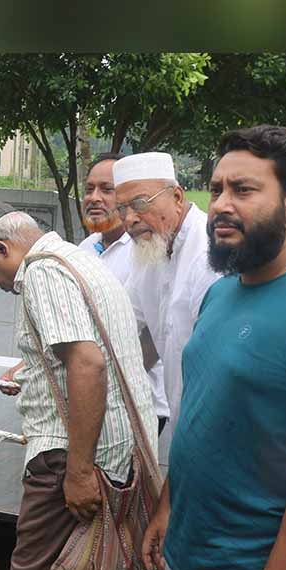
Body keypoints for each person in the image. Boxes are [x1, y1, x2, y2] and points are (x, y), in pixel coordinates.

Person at [143, 125, 286, 570]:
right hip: (188, 560)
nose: (221, 205)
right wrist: (168, 505)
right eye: (216, 190)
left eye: (243, 190)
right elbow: (202, 414)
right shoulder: (222, 293)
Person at [0, 200, 157, 570]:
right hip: (116, 453)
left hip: (72, 458)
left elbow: (88, 363)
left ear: (0, 248)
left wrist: (78, 473)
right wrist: (32, 371)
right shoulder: (77, 260)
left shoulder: (43, 272)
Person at [113, 152, 221, 467]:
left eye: (140, 204)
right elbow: (122, 324)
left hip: (221, 428)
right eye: (122, 209)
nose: (129, 219)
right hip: (183, 427)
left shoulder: (211, 255)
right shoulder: (150, 251)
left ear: (177, 197)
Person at [76, 153, 170, 437]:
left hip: (135, 406)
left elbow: (153, 334)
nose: (94, 198)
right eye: (89, 189)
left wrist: (109, 381)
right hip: (91, 399)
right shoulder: (86, 248)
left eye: (107, 189)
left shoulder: (146, 248)